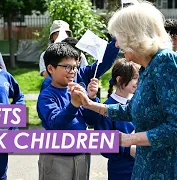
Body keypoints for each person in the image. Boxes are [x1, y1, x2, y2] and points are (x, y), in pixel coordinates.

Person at [73, 1, 177, 179]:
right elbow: (130, 110)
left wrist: (127, 139)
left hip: (165, 169)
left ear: (134, 36)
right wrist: (90, 104)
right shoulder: (147, 68)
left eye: (118, 37)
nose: (116, 45)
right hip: (144, 166)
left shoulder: (166, 62)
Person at [37, 42, 100, 180]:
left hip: (81, 156)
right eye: (67, 67)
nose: (73, 71)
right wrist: (73, 105)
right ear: (50, 68)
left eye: (75, 67)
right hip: (57, 159)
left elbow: (92, 120)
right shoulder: (46, 96)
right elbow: (56, 124)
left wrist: (91, 98)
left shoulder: (77, 89)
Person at [94, 58, 139, 180]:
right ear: (119, 79)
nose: (138, 81)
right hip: (121, 171)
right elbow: (103, 144)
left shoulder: (139, 103)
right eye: (134, 77)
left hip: (142, 168)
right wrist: (128, 150)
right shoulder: (106, 109)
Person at [40, 37, 119, 92]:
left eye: (75, 60)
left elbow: (104, 63)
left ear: (79, 59)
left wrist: (115, 44)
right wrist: (74, 105)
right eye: (66, 66)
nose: (71, 71)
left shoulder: (83, 73)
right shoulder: (49, 84)